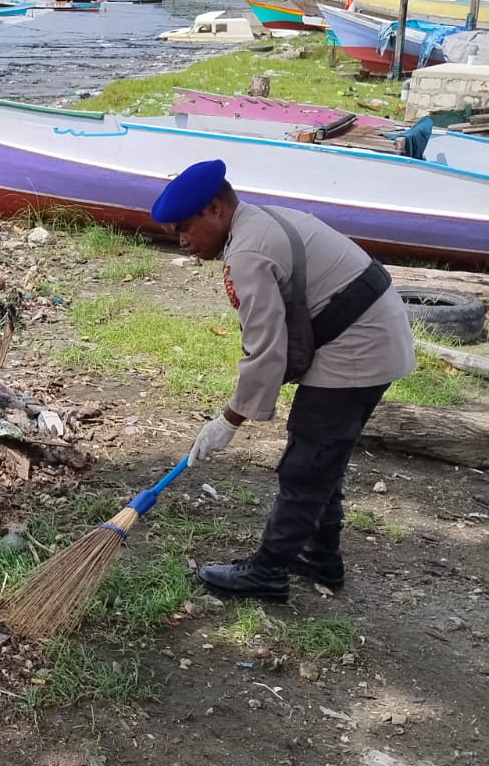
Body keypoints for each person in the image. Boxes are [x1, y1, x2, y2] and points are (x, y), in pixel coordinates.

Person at [150, 158, 414, 602]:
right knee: (318, 453)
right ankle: (319, 554)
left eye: (184, 228)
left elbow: (265, 351)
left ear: (214, 209)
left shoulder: (248, 253)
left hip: (359, 346)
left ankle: (269, 571)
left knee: (308, 461)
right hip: (369, 330)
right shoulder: (256, 221)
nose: (181, 242)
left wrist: (227, 421)